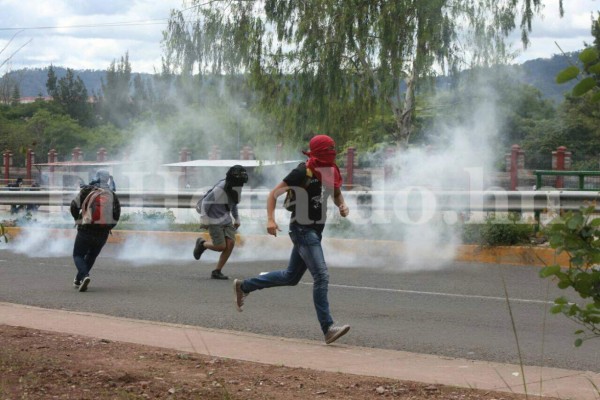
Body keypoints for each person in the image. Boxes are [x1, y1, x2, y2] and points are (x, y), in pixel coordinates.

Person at [233, 134, 351, 345]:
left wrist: (342, 206)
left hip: (316, 230)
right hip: (302, 229)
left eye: (332, 151)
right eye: (327, 151)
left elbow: (337, 193)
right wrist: (270, 219)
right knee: (321, 276)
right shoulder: (302, 171)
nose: (331, 155)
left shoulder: (331, 169)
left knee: (291, 277)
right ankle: (328, 328)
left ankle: (245, 286)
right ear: (317, 152)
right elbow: (273, 195)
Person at [193, 165, 248, 280]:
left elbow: (233, 203)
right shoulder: (221, 188)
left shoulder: (238, 187)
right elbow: (206, 202)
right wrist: (204, 219)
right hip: (213, 219)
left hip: (226, 219)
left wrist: (236, 218)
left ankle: (217, 271)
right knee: (220, 246)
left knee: (230, 244)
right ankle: (202, 244)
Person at [69, 170, 120, 292]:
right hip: (102, 233)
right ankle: (78, 279)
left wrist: (78, 219)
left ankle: (85, 276)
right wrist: (107, 228)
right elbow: (116, 215)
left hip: (86, 229)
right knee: (91, 256)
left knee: (78, 255)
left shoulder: (87, 190)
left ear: (96, 177)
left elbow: (73, 206)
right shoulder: (111, 194)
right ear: (107, 179)